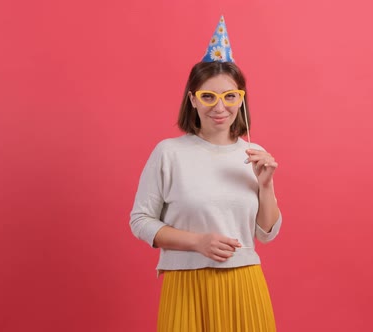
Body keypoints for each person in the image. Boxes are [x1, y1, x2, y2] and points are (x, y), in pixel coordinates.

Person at [129, 16, 282, 331]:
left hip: (245, 284)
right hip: (187, 286)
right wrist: (197, 242)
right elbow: (140, 221)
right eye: (208, 96)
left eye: (230, 96)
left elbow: (266, 233)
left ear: (240, 100)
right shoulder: (169, 153)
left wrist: (265, 186)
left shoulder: (252, 154)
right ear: (192, 100)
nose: (220, 106)